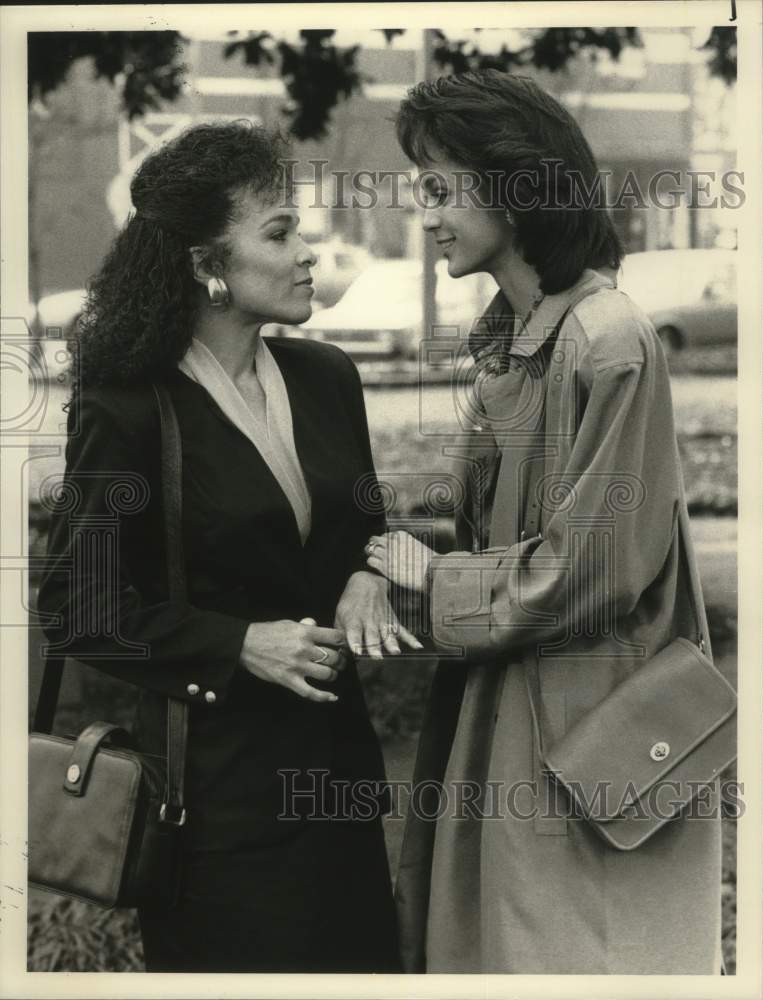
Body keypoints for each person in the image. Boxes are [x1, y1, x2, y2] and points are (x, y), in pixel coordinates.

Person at [365, 71, 723, 974]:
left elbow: (597, 564)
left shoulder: (607, 338)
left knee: (569, 955)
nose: (428, 214)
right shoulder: (514, 344)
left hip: (588, 726)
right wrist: (386, 572)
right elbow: (492, 541)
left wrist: (430, 578)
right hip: (512, 711)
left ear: (516, 193)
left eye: (441, 190)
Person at [36, 120, 415, 973]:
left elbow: (363, 528)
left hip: (343, 794)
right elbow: (75, 606)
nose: (307, 251)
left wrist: (368, 573)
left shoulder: (328, 378)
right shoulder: (129, 404)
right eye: (279, 233)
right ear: (209, 266)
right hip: (216, 815)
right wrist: (237, 645)